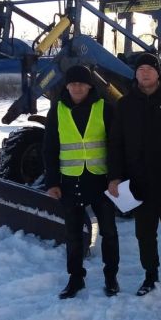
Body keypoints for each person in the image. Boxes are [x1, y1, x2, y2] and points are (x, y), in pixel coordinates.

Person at [107, 53, 161, 305]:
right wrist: (114, 177)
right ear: (135, 74)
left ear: (158, 73)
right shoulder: (124, 104)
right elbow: (116, 144)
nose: (145, 73)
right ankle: (150, 275)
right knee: (144, 235)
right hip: (138, 184)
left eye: (149, 69)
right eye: (140, 69)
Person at [44, 64, 120, 299]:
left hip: (100, 180)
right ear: (67, 86)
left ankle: (111, 277)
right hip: (70, 181)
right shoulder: (56, 111)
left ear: (89, 85)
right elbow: (50, 148)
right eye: (72, 83)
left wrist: (115, 177)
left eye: (81, 83)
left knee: (109, 232)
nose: (77, 87)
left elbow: (116, 146)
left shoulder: (104, 108)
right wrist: (52, 182)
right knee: (73, 234)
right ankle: (76, 278)